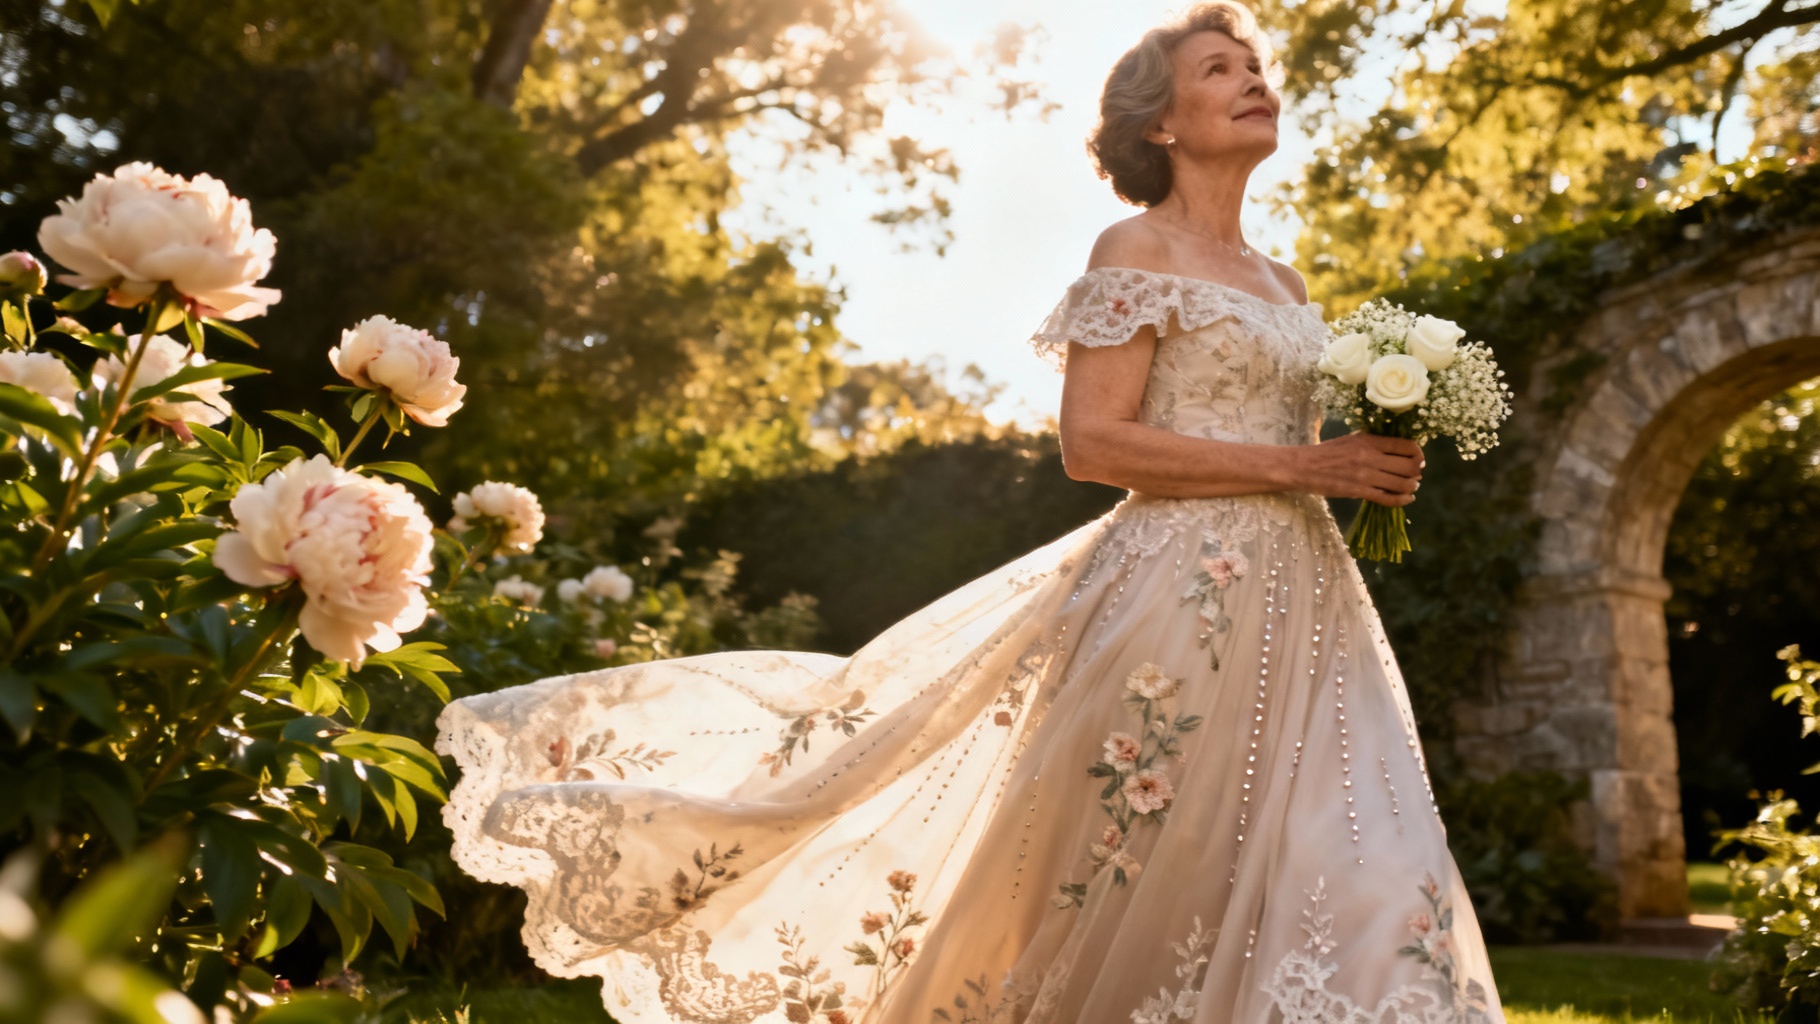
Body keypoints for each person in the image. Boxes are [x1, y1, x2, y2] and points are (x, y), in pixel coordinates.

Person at [436, 3, 1504, 1021]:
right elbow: (1092, 444)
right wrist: (1303, 465)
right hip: (1179, 603)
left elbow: (1298, 451)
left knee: (1351, 846)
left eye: (1254, 67)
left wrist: (1365, 461)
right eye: (1216, 71)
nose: (1251, 81)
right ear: (1160, 124)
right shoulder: (1131, 252)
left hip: (1310, 605)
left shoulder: (1286, 281)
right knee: (1143, 867)